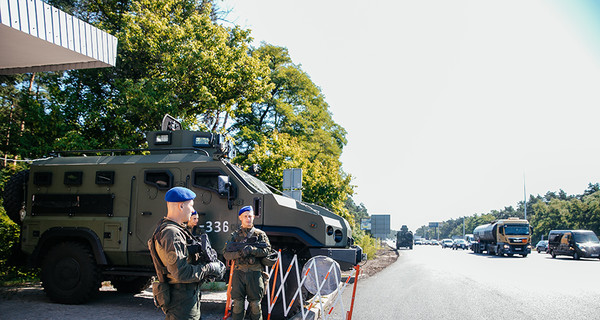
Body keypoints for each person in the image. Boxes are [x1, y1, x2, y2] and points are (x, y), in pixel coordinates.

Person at [149, 186, 225, 320]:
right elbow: (181, 273)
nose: (193, 210)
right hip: (181, 300)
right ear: (181, 206)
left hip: (185, 296)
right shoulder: (172, 233)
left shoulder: (175, 230)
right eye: (191, 206)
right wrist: (210, 268)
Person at [223, 206, 271, 320]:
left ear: (253, 217)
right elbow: (226, 254)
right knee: (238, 304)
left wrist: (252, 250)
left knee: (255, 304)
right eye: (245, 216)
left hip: (255, 273)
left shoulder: (260, 235)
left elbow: (267, 251)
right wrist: (240, 253)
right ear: (240, 218)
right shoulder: (234, 236)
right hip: (239, 273)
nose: (248, 219)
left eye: (250, 216)